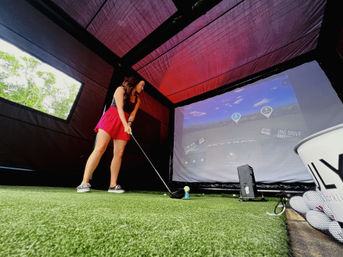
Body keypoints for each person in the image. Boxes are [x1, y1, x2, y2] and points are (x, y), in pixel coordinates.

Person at [77, 76, 145, 193]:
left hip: (125, 123)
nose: (143, 88)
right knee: (100, 149)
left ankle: (112, 185)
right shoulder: (120, 89)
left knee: (119, 154)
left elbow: (132, 114)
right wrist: (125, 125)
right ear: (135, 83)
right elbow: (119, 109)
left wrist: (128, 124)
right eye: (142, 85)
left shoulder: (138, 99)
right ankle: (84, 182)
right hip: (111, 118)